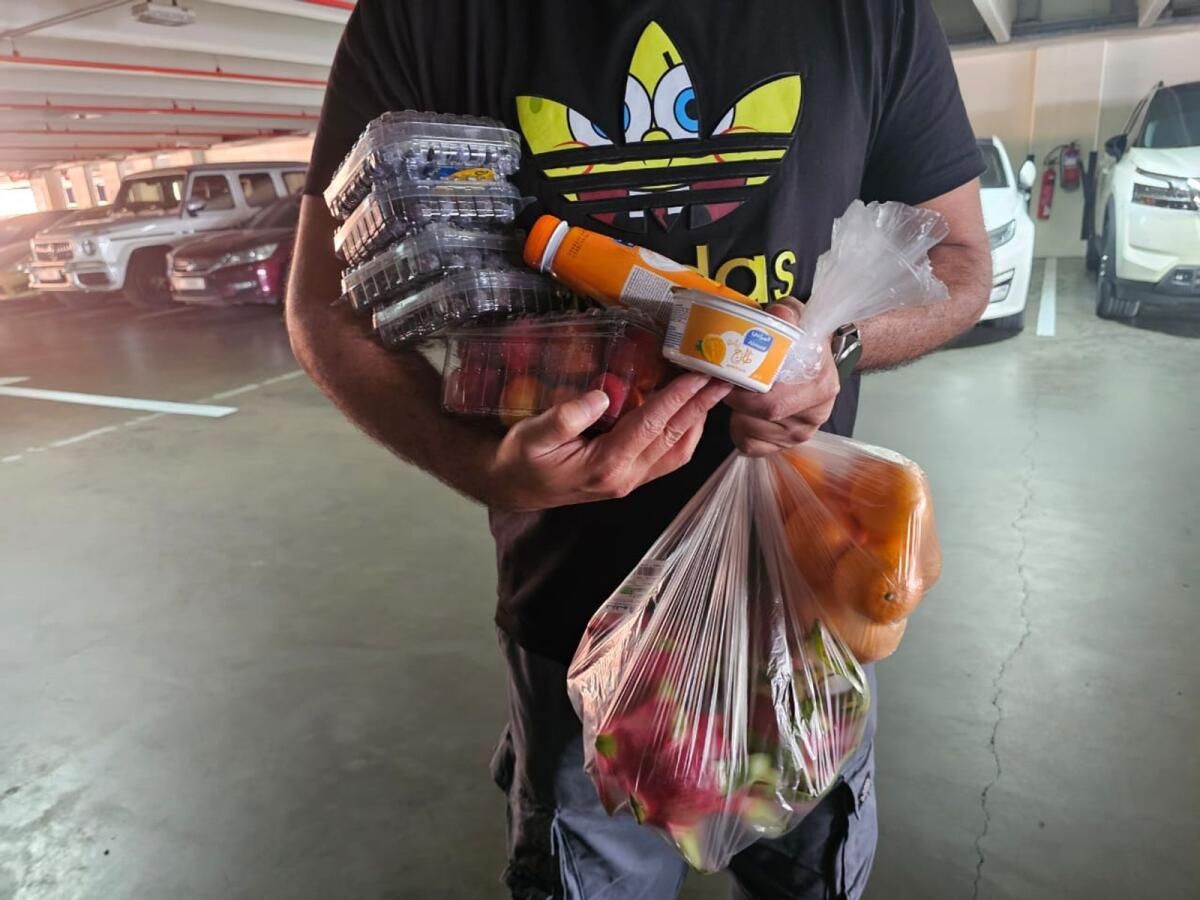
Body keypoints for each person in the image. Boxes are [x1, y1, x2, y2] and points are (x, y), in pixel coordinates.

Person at [288, 1, 991, 897]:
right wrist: (480, 467)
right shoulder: (429, 17)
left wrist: (836, 346)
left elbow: (960, 260)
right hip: (575, 623)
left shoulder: (869, 11)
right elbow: (326, 310)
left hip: (808, 606)